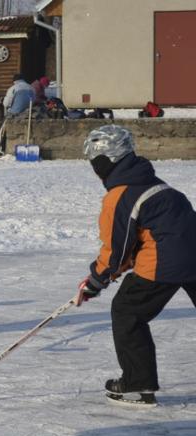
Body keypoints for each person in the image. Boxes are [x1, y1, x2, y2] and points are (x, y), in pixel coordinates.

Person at [77, 125, 196, 407]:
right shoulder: (159, 186)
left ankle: (137, 383)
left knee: (127, 312)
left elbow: (117, 252)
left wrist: (96, 280)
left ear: (105, 162)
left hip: (164, 261)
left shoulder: (120, 196)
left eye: (95, 163)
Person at [0, 74, 34, 155]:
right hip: (29, 113)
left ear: (14, 81)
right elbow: (34, 100)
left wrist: (4, 101)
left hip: (15, 113)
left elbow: (6, 104)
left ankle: (0, 148)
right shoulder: (31, 88)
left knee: (1, 127)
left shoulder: (13, 88)